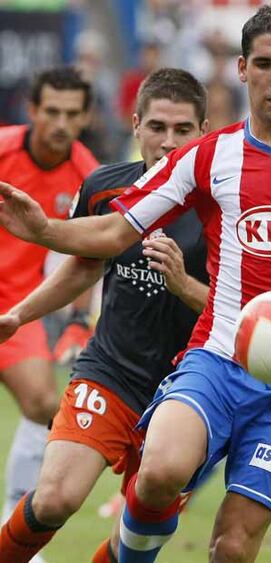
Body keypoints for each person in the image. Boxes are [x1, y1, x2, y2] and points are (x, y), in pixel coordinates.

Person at [0, 6, 271, 562]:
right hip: (214, 359)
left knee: (232, 546)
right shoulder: (210, 156)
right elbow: (117, 228)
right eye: (263, 63)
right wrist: (46, 228)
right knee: (157, 470)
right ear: (241, 69)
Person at [0, 67, 209, 562]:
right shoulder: (103, 187)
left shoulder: (223, 206)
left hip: (191, 389)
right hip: (111, 372)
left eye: (183, 130)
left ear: (205, 132)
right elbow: (83, 268)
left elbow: (237, 311)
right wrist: (20, 315)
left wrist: (182, 285)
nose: (168, 142)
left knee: (133, 539)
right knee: (54, 497)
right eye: (157, 127)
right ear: (135, 125)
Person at [0, 66, 98, 562]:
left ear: (85, 118)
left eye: (71, 113)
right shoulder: (2, 150)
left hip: (16, 308)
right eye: (51, 111)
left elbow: (91, 255)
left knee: (43, 403)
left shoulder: (87, 173)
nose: (60, 122)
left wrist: (79, 320)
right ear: (33, 111)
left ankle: (13, 515)